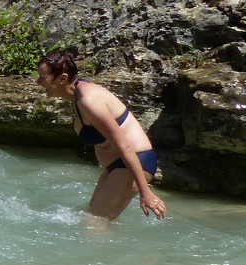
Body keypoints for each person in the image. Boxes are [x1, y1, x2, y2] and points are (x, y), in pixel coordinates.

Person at [36, 51, 167, 221]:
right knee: (90, 216)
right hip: (118, 165)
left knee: (94, 223)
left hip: (135, 161)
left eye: (42, 77)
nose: (38, 82)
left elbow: (125, 145)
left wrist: (145, 192)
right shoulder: (77, 96)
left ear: (62, 79)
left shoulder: (89, 100)